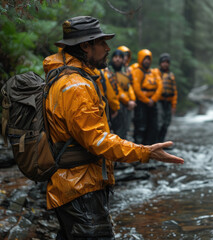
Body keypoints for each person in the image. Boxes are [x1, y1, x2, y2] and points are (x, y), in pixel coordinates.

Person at [43, 16, 184, 239]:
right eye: (101, 43)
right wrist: (144, 152)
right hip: (80, 188)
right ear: (85, 46)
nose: (108, 48)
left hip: (74, 186)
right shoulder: (75, 87)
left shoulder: (73, 79)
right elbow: (97, 141)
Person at [132, 49, 163, 145]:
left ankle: (151, 149)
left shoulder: (154, 72)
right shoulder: (138, 72)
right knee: (141, 126)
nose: (147, 61)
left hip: (152, 103)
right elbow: (137, 89)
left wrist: (153, 100)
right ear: (140, 59)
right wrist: (146, 100)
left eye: (149, 59)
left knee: (153, 126)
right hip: (141, 104)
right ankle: (139, 148)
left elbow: (160, 86)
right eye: (145, 59)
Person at [105, 49, 136, 139]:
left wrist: (132, 100)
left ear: (123, 60)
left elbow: (128, 87)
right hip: (113, 106)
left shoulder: (125, 72)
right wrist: (127, 101)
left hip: (126, 106)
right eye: (115, 57)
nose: (117, 59)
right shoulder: (108, 71)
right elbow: (115, 90)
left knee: (124, 130)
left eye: (120, 57)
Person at [153, 53, 178, 142]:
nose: (165, 64)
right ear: (160, 63)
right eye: (163, 62)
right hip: (159, 101)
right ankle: (156, 142)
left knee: (166, 123)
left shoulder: (171, 75)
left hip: (168, 102)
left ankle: (161, 141)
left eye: (167, 62)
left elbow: (174, 91)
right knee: (159, 122)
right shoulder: (156, 73)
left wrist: (174, 105)